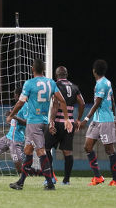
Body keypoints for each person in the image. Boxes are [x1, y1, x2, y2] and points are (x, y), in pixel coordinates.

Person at [7, 58, 73, 190]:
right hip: (44, 121)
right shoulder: (50, 83)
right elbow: (62, 101)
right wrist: (66, 119)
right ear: (43, 69)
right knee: (28, 150)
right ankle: (20, 182)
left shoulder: (29, 84)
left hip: (34, 123)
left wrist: (11, 115)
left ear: (32, 69)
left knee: (41, 152)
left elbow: (20, 103)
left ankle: (50, 183)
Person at [78, 59, 116, 186]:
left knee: (109, 150)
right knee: (87, 146)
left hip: (105, 121)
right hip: (97, 120)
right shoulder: (106, 82)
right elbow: (112, 101)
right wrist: (114, 116)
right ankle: (98, 177)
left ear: (94, 71)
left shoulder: (102, 84)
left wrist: (86, 119)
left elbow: (97, 103)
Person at [45, 66, 85, 185]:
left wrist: (51, 122)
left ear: (57, 75)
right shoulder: (74, 87)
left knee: (46, 148)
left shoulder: (55, 85)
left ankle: (51, 177)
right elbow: (82, 103)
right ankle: (66, 180)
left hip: (58, 122)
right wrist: (78, 119)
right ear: (66, 74)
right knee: (67, 152)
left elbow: (56, 104)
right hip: (69, 124)